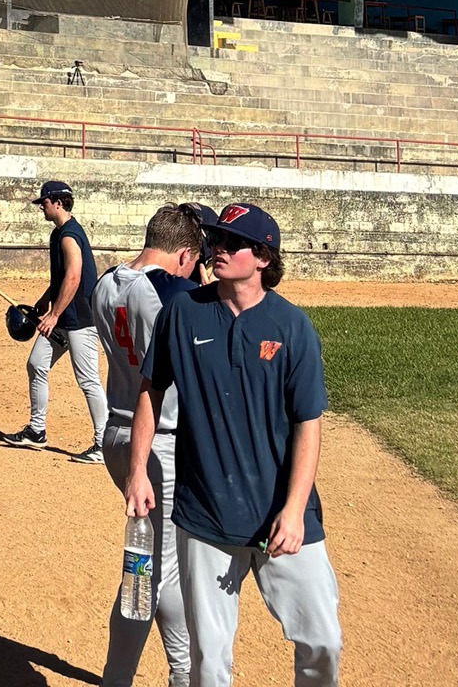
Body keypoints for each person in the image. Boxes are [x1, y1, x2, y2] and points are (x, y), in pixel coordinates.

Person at [126, 203, 342, 686]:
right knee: (208, 660)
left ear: (263, 256)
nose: (216, 249)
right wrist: (137, 470)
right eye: (214, 240)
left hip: (282, 515)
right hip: (206, 512)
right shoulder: (184, 312)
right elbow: (150, 389)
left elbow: (309, 422)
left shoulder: (292, 327)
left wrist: (294, 508)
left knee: (322, 640)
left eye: (231, 242)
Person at [92, 204, 206, 687]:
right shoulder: (174, 290)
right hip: (159, 445)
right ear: (184, 255)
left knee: (166, 570)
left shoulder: (105, 282)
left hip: (117, 432)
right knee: (145, 576)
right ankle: (120, 678)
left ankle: (183, 672)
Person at [4, 179, 106, 463]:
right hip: (62, 316)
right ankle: (37, 431)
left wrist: (54, 314)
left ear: (58, 203)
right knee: (36, 364)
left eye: (44, 203)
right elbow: (62, 278)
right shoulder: (57, 234)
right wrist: (45, 300)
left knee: (88, 380)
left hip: (81, 320)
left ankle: (103, 443)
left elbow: (74, 275)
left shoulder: (69, 234)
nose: (42, 208)